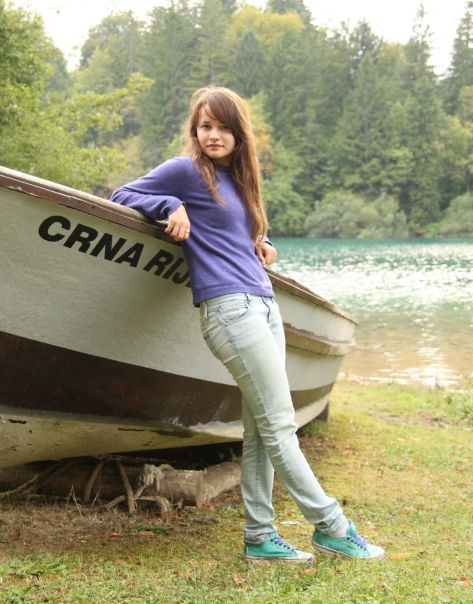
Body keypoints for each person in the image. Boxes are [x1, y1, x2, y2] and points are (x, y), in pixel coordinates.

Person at [110, 86, 384, 563]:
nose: (213, 135)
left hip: (264, 306)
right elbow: (123, 194)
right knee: (280, 425)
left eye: (222, 127)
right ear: (195, 130)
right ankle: (332, 526)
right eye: (205, 126)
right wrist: (169, 206)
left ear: (239, 134)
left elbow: (238, 229)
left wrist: (264, 242)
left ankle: (260, 536)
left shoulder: (238, 181)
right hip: (230, 311)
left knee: (261, 428)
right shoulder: (186, 171)